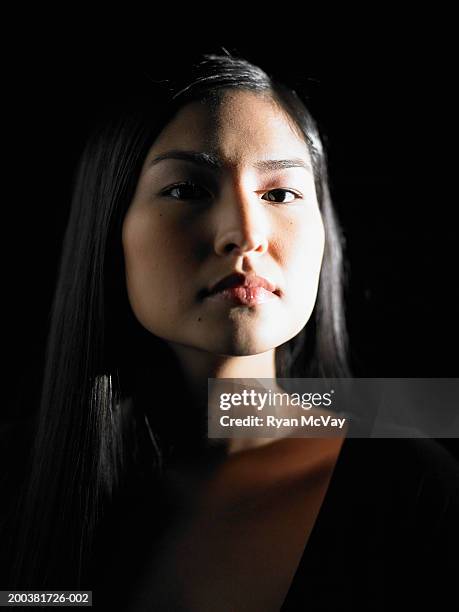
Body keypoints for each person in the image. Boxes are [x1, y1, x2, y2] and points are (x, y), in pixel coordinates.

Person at [1, 50, 458, 610]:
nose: (244, 234)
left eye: (280, 193)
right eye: (187, 189)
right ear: (108, 228)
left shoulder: (415, 492)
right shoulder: (21, 488)